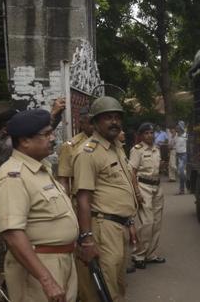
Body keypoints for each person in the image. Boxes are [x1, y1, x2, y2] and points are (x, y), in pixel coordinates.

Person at [0, 109, 78, 302]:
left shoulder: (40, 168)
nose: (53, 137)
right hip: (40, 267)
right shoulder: (12, 177)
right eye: (46, 134)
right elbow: (13, 235)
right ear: (24, 141)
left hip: (61, 261)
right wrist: (46, 280)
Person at [72, 96, 139, 302]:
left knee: (118, 282)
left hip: (121, 227)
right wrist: (87, 238)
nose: (114, 122)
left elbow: (122, 188)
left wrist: (130, 222)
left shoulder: (116, 147)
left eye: (117, 117)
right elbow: (83, 198)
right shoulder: (88, 153)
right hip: (104, 227)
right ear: (95, 122)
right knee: (105, 288)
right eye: (108, 118)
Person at [130, 123, 166, 269]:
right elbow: (131, 172)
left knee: (157, 222)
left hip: (157, 187)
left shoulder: (157, 149)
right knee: (147, 222)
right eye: (146, 133)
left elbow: (157, 169)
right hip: (143, 187)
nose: (150, 135)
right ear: (141, 135)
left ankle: (150, 254)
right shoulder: (137, 150)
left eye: (152, 133)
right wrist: (136, 192)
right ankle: (139, 255)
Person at [57, 107, 93, 195]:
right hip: (81, 197)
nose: (95, 126)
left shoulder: (110, 143)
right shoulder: (70, 146)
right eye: (91, 123)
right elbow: (64, 179)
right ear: (81, 124)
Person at [174, 122, 187, 195]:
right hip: (177, 155)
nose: (176, 128)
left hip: (184, 155)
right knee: (179, 172)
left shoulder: (186, 136)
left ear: (181, 127)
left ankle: (182, 189)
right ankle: (187, 181)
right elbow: (172, 144)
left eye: (178, 126)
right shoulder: (176, 136)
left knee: (181, 171)